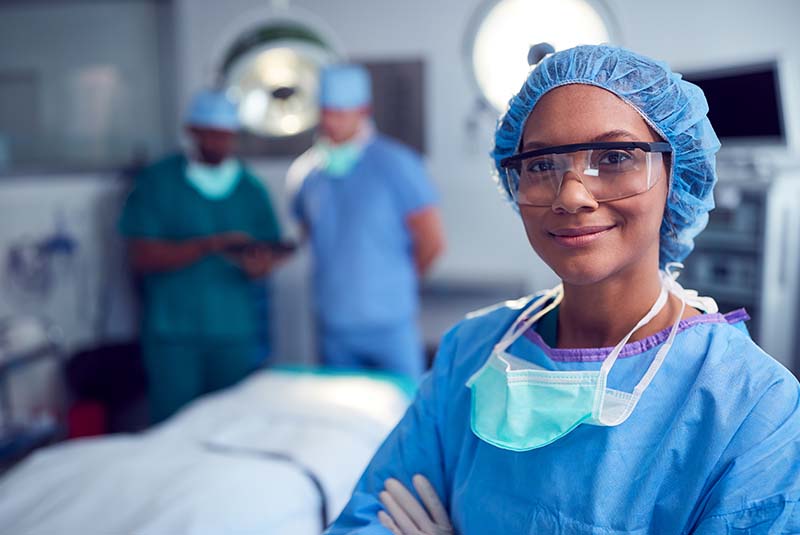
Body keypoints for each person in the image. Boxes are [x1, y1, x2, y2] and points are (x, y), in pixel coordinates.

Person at [325, 45, 800, 534]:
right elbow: (369, 518)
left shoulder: (755, 407)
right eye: (541, 165)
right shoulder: (470, 352)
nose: (571, 195)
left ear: (677, 175)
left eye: (615, 157)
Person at [119, 89, 286, 423]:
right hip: (174, 334)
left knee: (232, 426)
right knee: (173, 428)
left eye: (226, 136)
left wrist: (258, 266)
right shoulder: (158, 182)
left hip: (234, 332)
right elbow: (141, 256)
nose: (219, 143)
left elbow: (269, 252)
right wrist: (210, 245)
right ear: (193, 132)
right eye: (210, 134)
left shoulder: (250, 189)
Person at [288, 64, 445, 380]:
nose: (331, 122)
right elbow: (306, 235)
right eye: (326, 112)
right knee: (341, 419)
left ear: (363, 111)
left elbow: (432, 243)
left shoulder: (397, 165)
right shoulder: (308, 173)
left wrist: (391, 282)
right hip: (333, 325)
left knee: (403, 413)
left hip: (390, 324)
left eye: (341, 113)